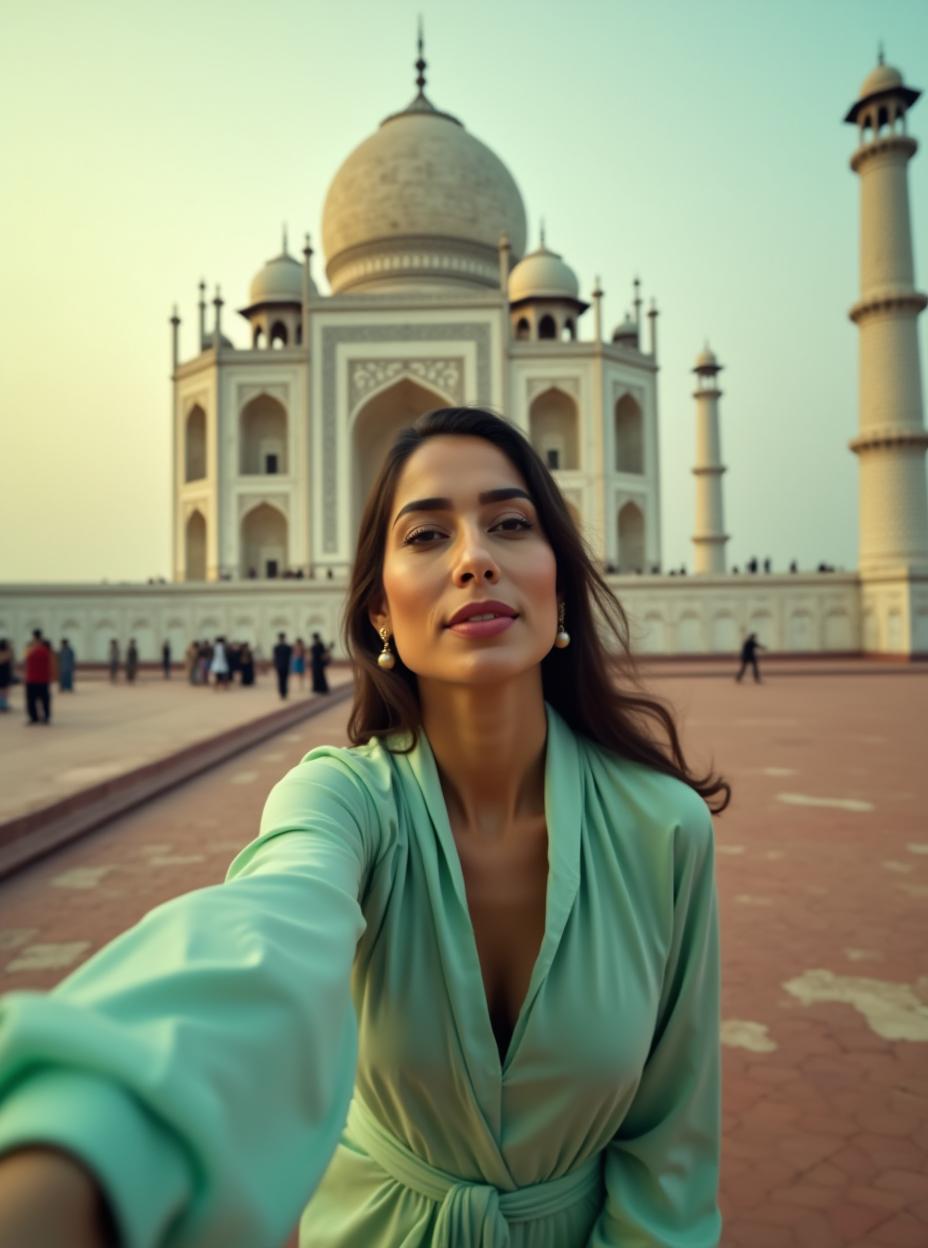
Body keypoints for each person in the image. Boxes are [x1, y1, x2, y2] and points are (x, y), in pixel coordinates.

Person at [0, 407, 728, 1248]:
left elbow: (672, 1148)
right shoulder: (343, 803)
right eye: (426, 535)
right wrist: (87, 1132)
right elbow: (265, 932)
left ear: (559, 579)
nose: (474, 559)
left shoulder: (661, 828)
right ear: (380, 609)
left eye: (509, 524)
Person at [22, 629, 52, 725]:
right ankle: (45, 717)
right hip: (42, 678)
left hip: (32, 678)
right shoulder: (46, 647)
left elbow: (25, 659)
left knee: (32, 700)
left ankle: (34, 717)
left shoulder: (30, 648)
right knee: (44, 700)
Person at [272, 632, 292, 700]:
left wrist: (275, 665)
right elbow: (290, 657)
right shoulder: (288, 647)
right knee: (284, 680)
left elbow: (275, 657)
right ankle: (284, 693)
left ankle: (282, 693)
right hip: (285, 665)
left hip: (280, 665)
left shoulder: (276, 647)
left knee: (281, 680)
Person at [0, 638, 12, 713]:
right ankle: (3, 704)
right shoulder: (7, 653)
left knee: (3, 690)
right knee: (4, 690)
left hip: (3, 673)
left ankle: (3, 704)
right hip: (4, 674)